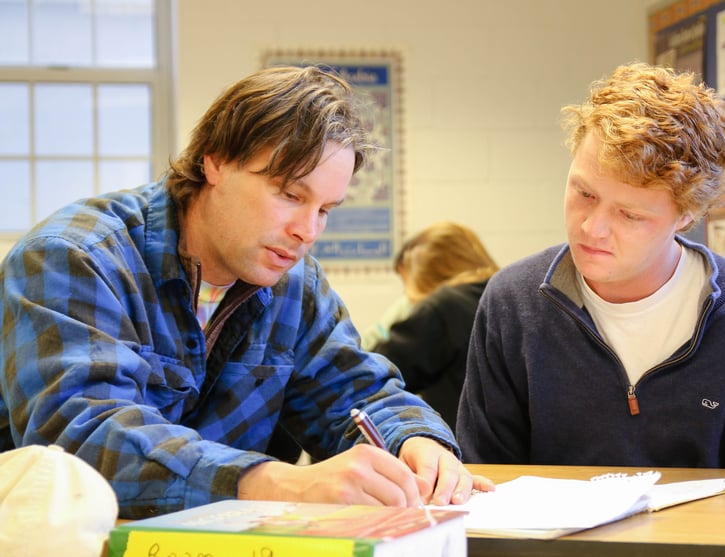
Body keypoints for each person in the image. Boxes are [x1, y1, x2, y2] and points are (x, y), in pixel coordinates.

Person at [0, 65, 493, 520]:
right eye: (290, 195)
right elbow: (81, 442)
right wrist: (280, 483)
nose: (308, 231)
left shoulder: (296, 286)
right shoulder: (73, 258)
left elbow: (359, 392)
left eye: (325, 209)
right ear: (214, 161)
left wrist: (418, 441)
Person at [457, 62, 725, 470]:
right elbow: (486, 483)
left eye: (629, 215)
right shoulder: (512, 305)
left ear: (685, 215)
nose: (592, 228)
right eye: (584, 193)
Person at [369, 222, 499, 430]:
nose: (409, 297)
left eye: (408, 283)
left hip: (459, 450)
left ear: (427, 274)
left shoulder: (444, 307)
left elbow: (372, 377)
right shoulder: (506, 297)